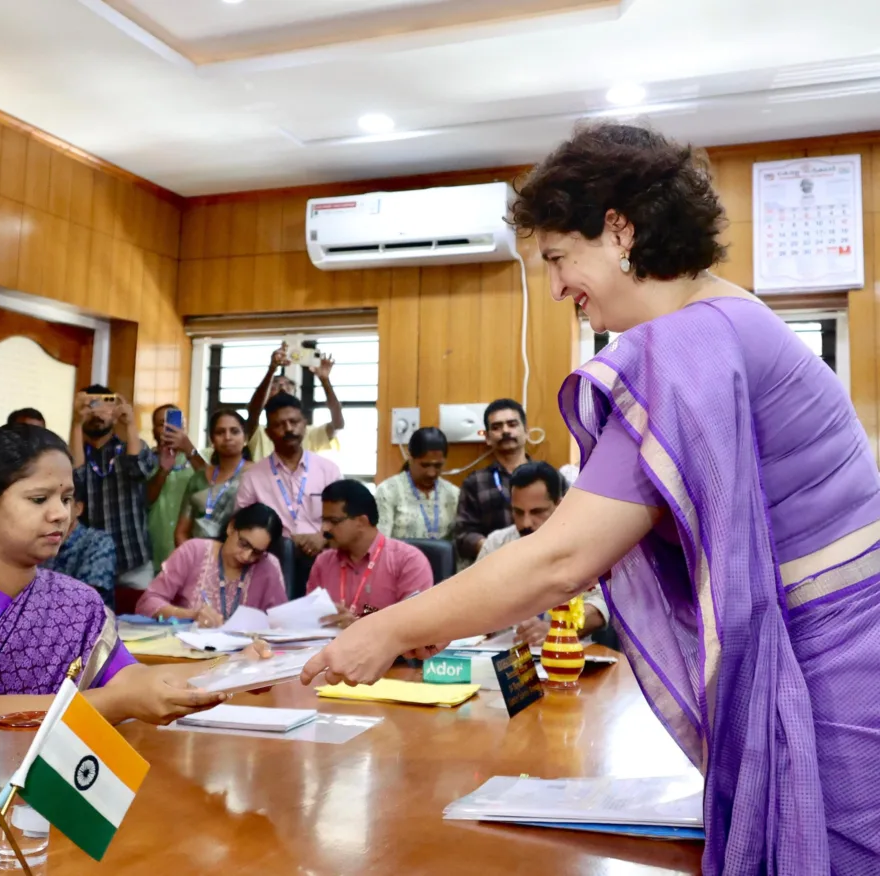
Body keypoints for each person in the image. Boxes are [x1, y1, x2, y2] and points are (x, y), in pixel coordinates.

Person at [302, 123, 880, 875]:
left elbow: (563, 558)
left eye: (555, 259)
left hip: (835, 681)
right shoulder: (725, 316)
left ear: (618, 230)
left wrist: (389, 630)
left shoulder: (689, 345)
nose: (554, 289)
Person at [0, 425, 267, 780]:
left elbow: (129, 680)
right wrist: (116, 704)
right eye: (39, 500)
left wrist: (227, 671)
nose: (60, 515)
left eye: (67, 499)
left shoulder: (76, 599)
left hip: (35, 784)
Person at [478, 462, 607, 645]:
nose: (526, 523)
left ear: (559, 506)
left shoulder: (584, 548)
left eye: (537, 511)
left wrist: (557, 629)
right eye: (518, 512)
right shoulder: (495, 545)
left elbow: (601, 605)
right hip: (503, 657)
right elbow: (473, 604)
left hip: (567, 656)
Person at [235, 392, 342, 581]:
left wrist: (322, 536)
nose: (289, 429)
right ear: (268, 433)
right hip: (271, 562)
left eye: (294, 422)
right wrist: (286, 540)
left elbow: (343, 516)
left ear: (305, 425)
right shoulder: (253, 477)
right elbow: (242, 525)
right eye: (279, 424)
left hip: (324, 556)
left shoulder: (328, 470)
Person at [308, 480, 433, 629]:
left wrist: (362, 625)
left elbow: (415, 623)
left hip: (388, 651)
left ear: (361, 521)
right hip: (329, 649)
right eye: (323, 520)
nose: (324, 529)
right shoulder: (323, 562)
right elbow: (310, 619)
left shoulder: (408, 561)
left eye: (333, 521)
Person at [69, 384, 157, 592]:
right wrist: (76, 422)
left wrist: (131, 424)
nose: (97, 413)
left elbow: (138, 469)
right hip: (89, 562)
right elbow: (73, 481)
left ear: (115, 412)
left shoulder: (132, 446)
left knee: (139, 622)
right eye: (91, 405)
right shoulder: (73, 452)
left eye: (105, 406)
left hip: (133, 562)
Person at [137, 503, 287, 624]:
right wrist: (191, 615)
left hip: (245, 655)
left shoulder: (268, 567)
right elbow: (147, 603)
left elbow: (281, 624)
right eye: (244, 544)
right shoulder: (194, 551)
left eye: (257, 552)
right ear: (231, 527)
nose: (247, 556)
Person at [453, 399, 531, 561]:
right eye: (496, 427)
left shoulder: (549, 477)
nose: (505, 431)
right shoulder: (475, 482)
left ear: (526, 431)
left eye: (512, 424)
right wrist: (494, 548)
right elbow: (463, 536)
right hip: (493, 567)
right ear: (487, 437)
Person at [240, 343, 344, 461]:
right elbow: (254, 411)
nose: (283, 388)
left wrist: (325, 380)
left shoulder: (309, 432)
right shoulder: (259, 432)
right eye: (276, 385)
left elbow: (338, 424)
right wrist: (271, 369)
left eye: (288, 385)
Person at [146, 404, 205, 574]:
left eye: (173, 423)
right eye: (161, 423)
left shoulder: (202, 457)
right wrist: (163, 470)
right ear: (153, 430)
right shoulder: (144, 460)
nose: (168, 428)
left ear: (184, 427)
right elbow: (145, 500)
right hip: (155, 551)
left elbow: (213, 486)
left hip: (194, 550)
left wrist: (188, 449)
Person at [176, 409, 250, 545]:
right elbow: (181, 532)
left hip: (241, 557)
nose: (227, 437)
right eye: (220, 432)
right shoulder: (198, 478)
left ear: (246, 438)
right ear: (212, 440)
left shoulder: (257, 474)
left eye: (234, 431)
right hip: (197, 558)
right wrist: (193, 560)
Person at [44, 472, 118, 608]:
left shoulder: (98, 543)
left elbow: (84, 602)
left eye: (65, 500)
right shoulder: (37, 542)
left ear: (78, 509)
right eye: (44, 500)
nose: (54, 510)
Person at [375, 427, 459, 541]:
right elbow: (381, 544)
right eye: (425, 465)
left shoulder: (454, 494)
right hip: (400, 558)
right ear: (410, 458)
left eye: (438, 466)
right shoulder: (388, 491)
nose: (431, 473)